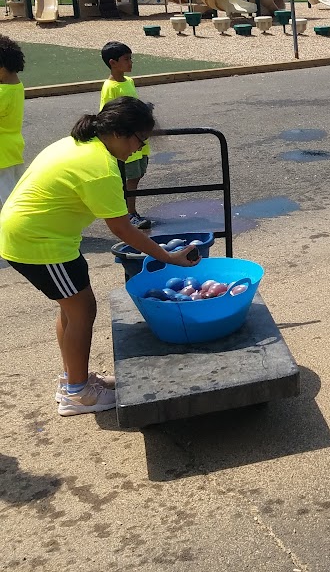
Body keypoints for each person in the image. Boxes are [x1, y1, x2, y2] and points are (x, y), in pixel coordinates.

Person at [0, 97, 198, 416]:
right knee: (82, 310)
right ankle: (78, 395)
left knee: (71, 308)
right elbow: (122, 229)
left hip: (38, 236)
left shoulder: (80, 143)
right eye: (140, 140)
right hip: (38, 242)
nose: (139, 148)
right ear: (121, 132)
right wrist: (169, 257)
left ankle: (72, 380)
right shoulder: (101, 168)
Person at [100, 41, 152, 229]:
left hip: (137, 138)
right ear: (113, 63)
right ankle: (129, 213)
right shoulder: (110, 87)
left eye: (131, 58)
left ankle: (131, 211)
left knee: (136, 176)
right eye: (126, 59)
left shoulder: (129, 81)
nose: (130, 63)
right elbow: (110, 113)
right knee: (128, 178)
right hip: (126, 141)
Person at [0, 35, 25, 207]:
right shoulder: (17, 86)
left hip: (2, 152)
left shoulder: (2, 93)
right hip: (13, 148)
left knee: (7, 201)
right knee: (13, 194)